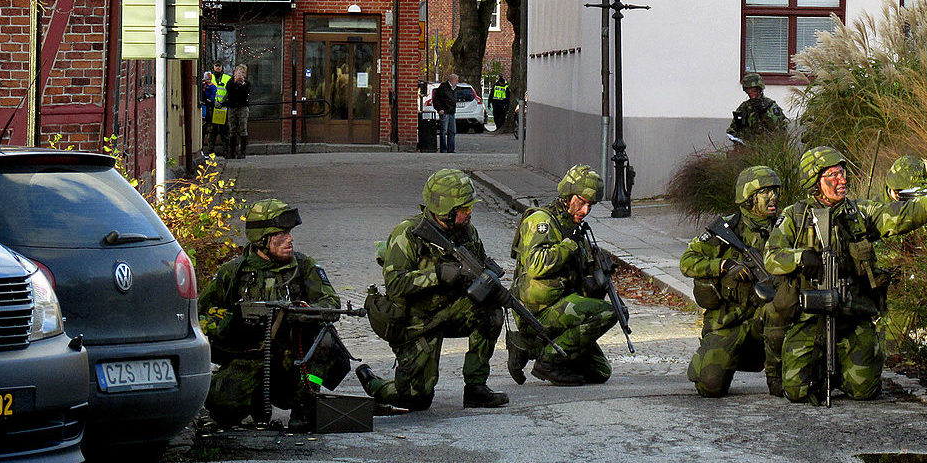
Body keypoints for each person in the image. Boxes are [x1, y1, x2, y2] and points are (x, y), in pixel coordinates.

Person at [764, 147, 927, 404]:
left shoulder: (859, 213)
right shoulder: (794, 217)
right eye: (833, 175)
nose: (843, 180)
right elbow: (771, 256)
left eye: (843, 173)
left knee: (865, 390)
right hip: (810, 319)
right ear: (814, 182)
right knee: (796, 391)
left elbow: (904, 215)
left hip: (852, 316)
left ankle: (841, 369)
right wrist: (800, 258)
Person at [355, 169, 510, 410]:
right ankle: (375, 384)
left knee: (491, 311)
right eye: (464, 209)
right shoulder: (408, 234)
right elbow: (396, 283)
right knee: (415, 399)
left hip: (450, 311)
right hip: (416, 321)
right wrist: (437, 275)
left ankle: (476, 388)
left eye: (470, 208)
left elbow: (477, 268)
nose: (469, 214)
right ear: (445, 211)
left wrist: (489, 283)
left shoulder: (467, 232)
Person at [199, 199, 342, 429]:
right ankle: (250, 400)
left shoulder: (303, 267)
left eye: (290, 233)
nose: (290, 239)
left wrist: (304, 313)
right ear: (262, 240)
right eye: (282, 234)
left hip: (293, 362)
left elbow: (331, 302)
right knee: (223, 410)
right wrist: (231, 323)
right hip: (248, 357)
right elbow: (201, 316)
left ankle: (306, 402)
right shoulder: (234, 273)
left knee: (325, 339)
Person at [681, 166, 793, 397]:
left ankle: (777, 376)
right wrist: (723, 266)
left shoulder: (784, 227)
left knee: (779, 311)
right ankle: (720, 356)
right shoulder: (726, 231)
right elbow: (687, 262)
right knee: (709, 386)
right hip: (729, 321)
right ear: (748, 197)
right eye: (766, 192)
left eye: (775, 191)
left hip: (769, 318)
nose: (774, 198)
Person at [505, 165, 618, 386]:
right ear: (568, 195)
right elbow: (536, 265)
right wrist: (569, 246)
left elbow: (581, 284)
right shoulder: (541, 221)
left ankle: (528, 346)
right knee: (607, 314)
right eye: (582, 201)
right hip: (537, 310)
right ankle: (548, 361)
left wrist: (598, 278)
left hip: (561, 307)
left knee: (600, 372)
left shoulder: (575, 228)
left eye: (590, 205)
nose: (585, 210)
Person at [727, 73, 788, 143]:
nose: (750, 92)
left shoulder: (770, 106)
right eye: (748, 90)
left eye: (754, 90)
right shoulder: (744, 107)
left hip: (768, 149)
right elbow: (733, 129)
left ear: (759, 89)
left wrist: (764, 112)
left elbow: (778, 129)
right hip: (748, 147)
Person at [204, 63, 232, 157]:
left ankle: (226, 151)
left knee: (224, 131)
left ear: (222, 67)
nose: (218, 67)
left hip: (223, 107)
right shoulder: (209, 77)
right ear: (213, 67)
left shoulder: (227, 78)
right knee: (212, 131)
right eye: (216, 65)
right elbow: (205, 90)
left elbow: (229, 91)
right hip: (212, 107)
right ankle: (210, 151)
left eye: (220, 66)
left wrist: (223, 102)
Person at [227, 64, 252, 160]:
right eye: (238, 72)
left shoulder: (247, 84)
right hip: (232, 107)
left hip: (242, 107)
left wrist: (242, 84)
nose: (240, 74)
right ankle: (232, 152)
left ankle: (242, 151)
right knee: (232, 129)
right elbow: (229, 90)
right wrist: (234, 82)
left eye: (242, 72)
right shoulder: (230, 82)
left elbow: (246, 93)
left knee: (243, 128)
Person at [432, 74, 459, 153]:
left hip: (451, 112)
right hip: (445, 111)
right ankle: (443, 149)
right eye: (456, 80)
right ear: (452, 80)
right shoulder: (443, 87)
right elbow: (436, 99)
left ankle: (451, 149)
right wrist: (439, 109)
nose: (457, 82)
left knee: (452, 131)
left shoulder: (454, 88)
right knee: (443, 131)